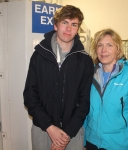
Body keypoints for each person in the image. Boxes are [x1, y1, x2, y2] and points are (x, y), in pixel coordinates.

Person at [23, 5, 94, 150]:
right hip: (43, 130)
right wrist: (49, 127)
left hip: (72, 133)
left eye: (74, 24)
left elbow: (85, 101)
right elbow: (30, 95)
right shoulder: (39, 55)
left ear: (77, 29)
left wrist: (66, 134)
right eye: (65, 22)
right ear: (56, 25)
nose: (69, 29)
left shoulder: (85, 60)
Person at [84, 28, 128, 150]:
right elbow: (84, 112)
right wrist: (82, 143)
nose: (104, 50)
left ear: (118, 49)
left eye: (109, 45)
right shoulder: (89, 75)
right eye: (100, 45)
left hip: (119, 145)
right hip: (92, 143)